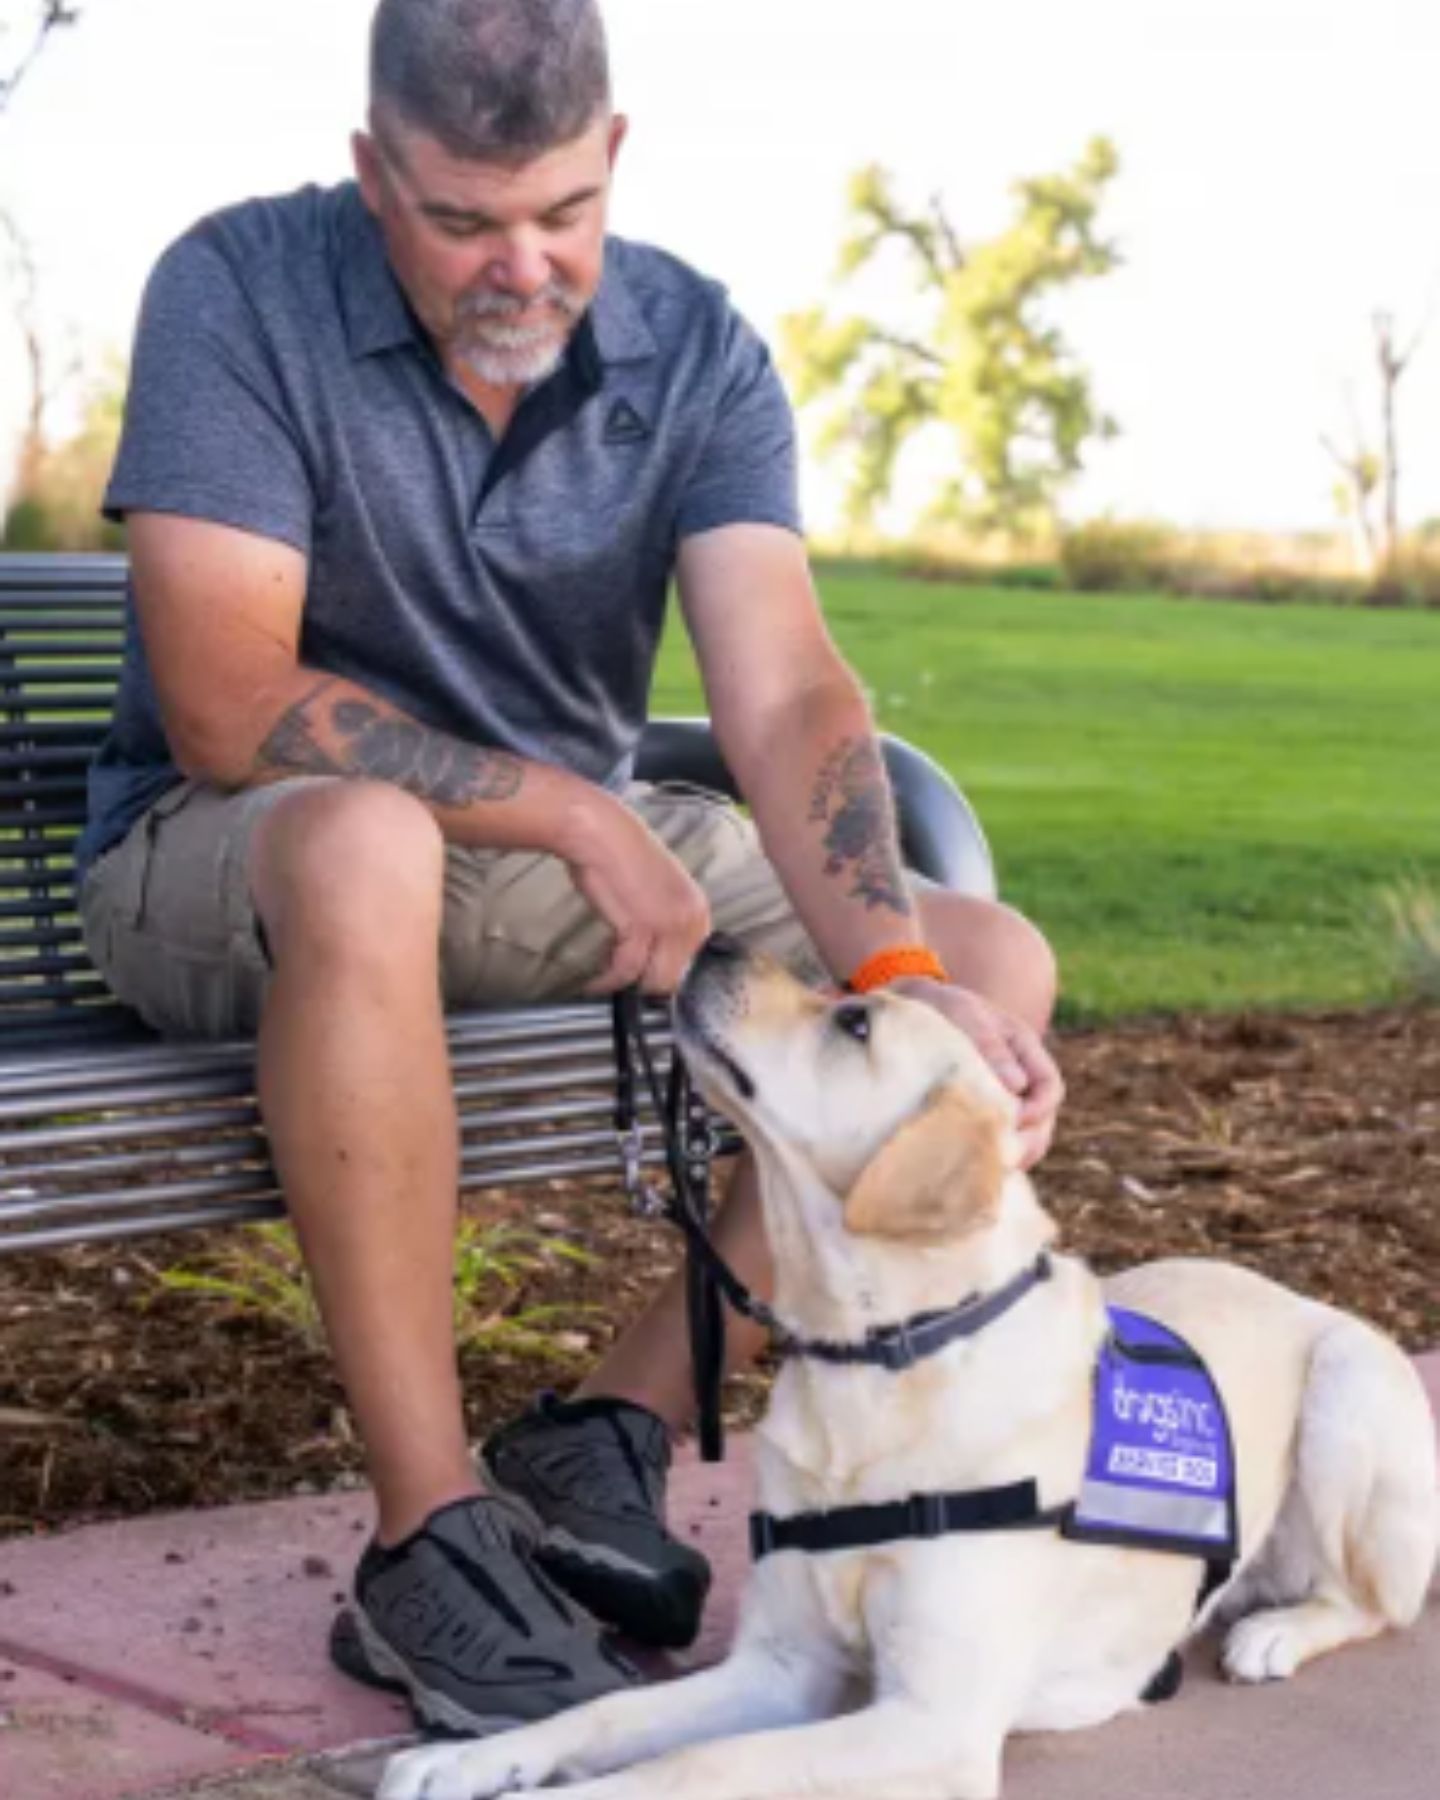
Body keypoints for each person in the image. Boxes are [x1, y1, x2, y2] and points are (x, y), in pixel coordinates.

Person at [78, 0, 1064, 1738]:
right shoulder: (236, 289)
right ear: (374, 170)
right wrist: (573, 805)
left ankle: (602, 1432)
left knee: (983, 965)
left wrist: (899, 982)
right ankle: (428, 1534)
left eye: (561, 215)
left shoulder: (695, 345)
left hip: (550, 873)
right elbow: (229, 705)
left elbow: (781, 692)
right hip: (240, 859)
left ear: (616, 154)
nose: (519, 265)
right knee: (373, 838)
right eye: (461, 220)